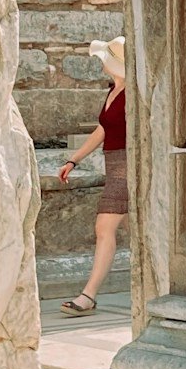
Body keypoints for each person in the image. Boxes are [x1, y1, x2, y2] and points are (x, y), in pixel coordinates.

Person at [57, 35, 128, 317]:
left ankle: (88, 295)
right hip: (115, 168)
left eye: (105, 59)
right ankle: (89, 295)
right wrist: (73, 160)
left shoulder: (132, 93)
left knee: (104, 228)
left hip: (127, 167)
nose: (101, 64)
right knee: (111, 230)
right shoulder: (113, 90)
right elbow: (102, 130)